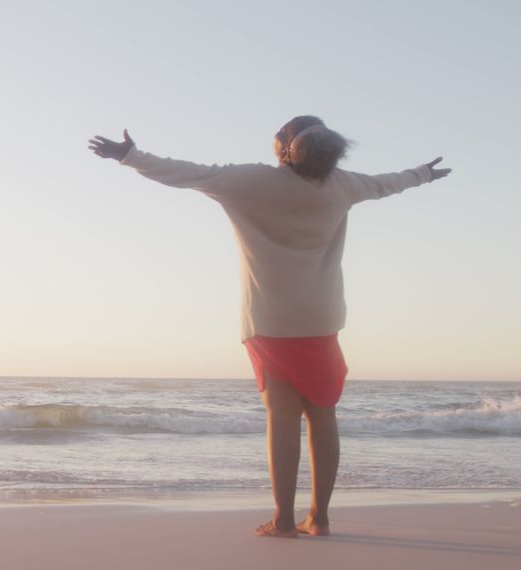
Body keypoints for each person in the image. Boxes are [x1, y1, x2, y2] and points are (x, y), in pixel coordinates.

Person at [88, 116, 451, 538]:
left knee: (282, 416)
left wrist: (129, 156)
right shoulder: (342, 185)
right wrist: (423, 174)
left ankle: (282, 519)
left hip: (270, 319)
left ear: (283, 149)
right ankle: (320, 517)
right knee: (323, 414)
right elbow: (389, 182)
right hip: (322, 318)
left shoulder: (253, 181)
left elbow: (186, 173)